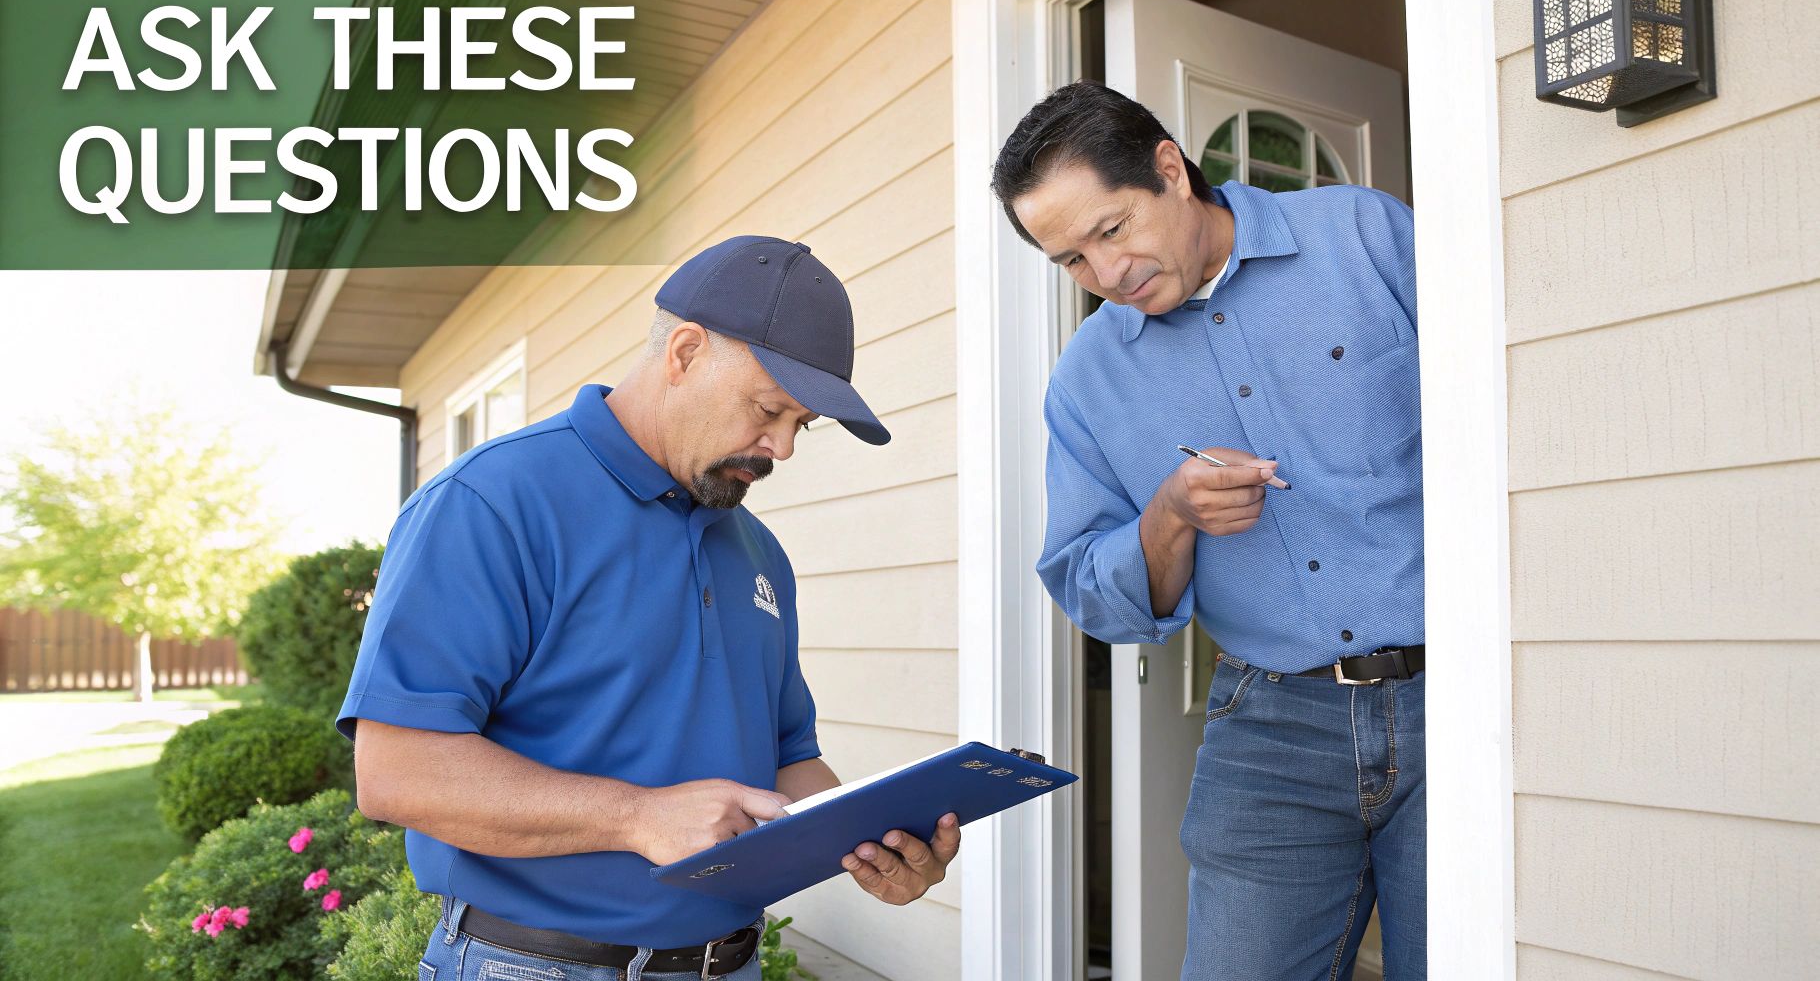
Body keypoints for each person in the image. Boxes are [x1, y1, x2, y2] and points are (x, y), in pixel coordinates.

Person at [337, 236, 961, 981]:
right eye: (770, 409)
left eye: (802, 424)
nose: (783, 449)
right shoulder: (491, 504)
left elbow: (789, 763)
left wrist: (876, 842)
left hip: (732, 965)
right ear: (687, 353)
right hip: (534, 965)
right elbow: (398, 772)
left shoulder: (758, 552)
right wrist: (636, 816)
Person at [993, 81, 1425, 980]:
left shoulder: (1366, 236)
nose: (1106, 277)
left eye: (1110, 231)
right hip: (1271, 727)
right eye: (1070, 260)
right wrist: (1170, 515)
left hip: (1460, 696)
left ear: (1167, 169)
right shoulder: (1087, 381)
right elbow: (1086, 586)